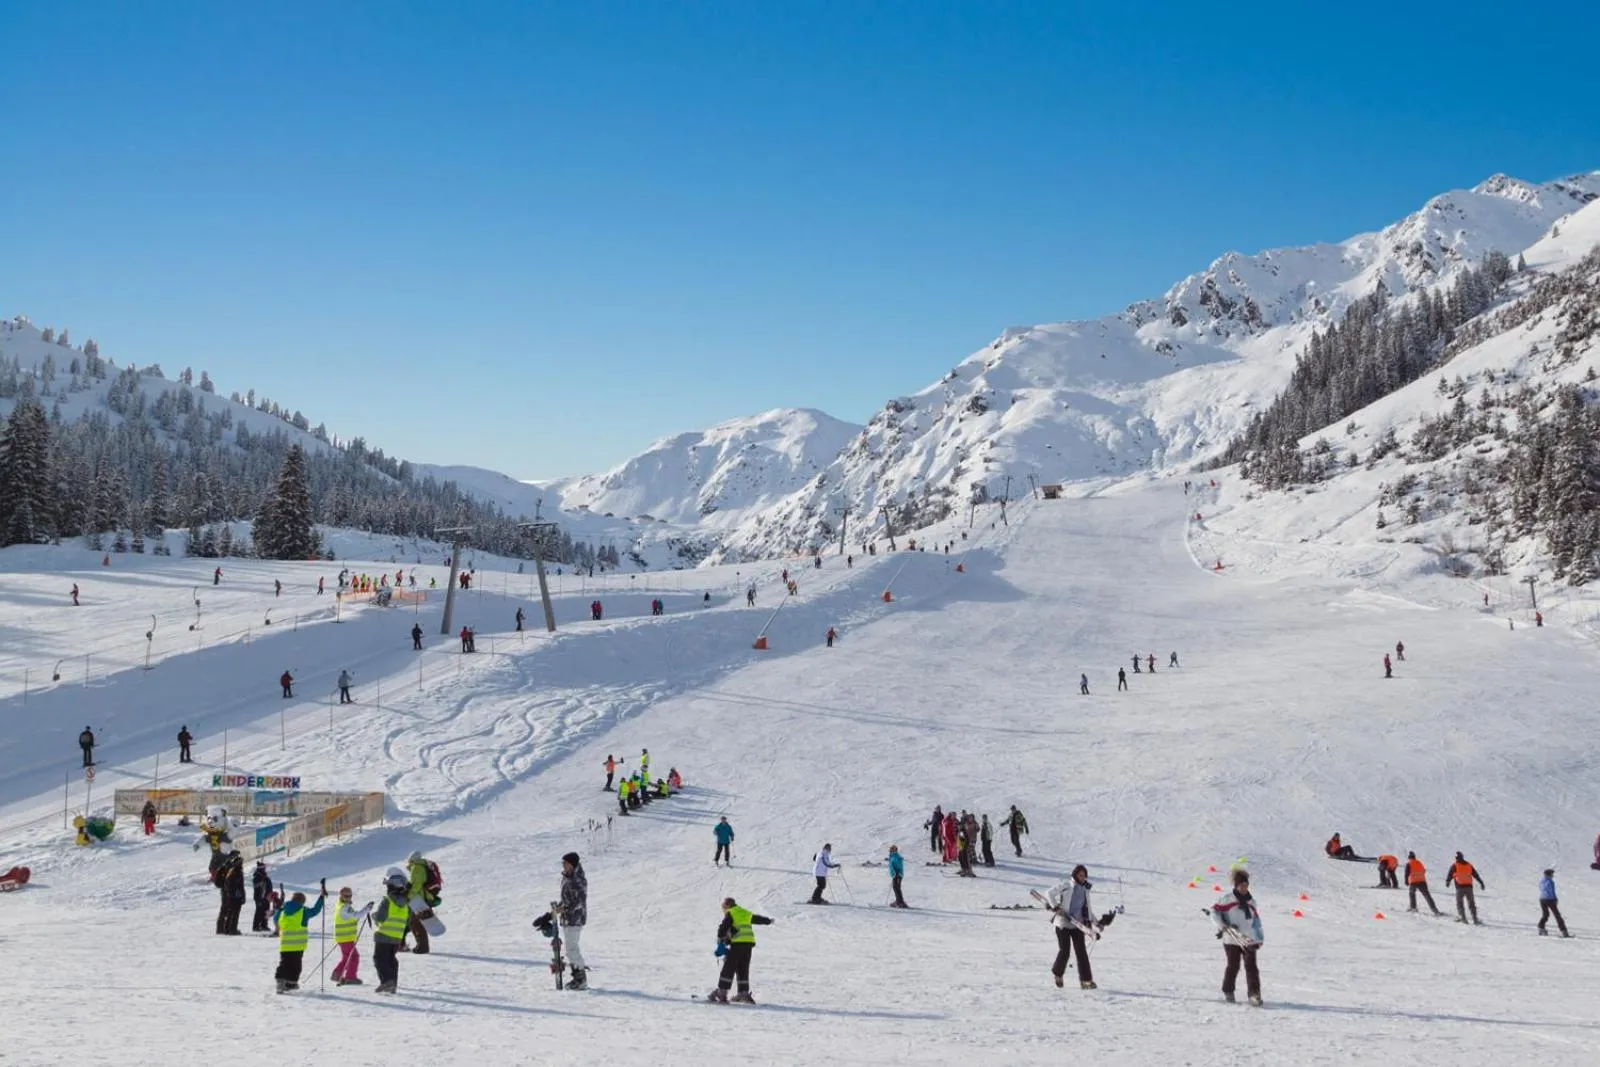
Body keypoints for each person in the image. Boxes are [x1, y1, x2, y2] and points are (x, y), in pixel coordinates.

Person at [1211, 868, 1263, 1006]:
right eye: (1241, 886)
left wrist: (1259, 938)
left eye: (1246, 886)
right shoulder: (1227, 899)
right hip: (1231, 939)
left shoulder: (1251, 902)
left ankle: (1254, 995)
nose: (1244, 888)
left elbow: (1256, 921)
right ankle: (1228, 991)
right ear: (1236, 886)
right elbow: (1214, 912)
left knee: (1251, 967)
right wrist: (1223, 925)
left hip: (1248, 939)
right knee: (1233, 966)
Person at [708, 897, 773, 1003]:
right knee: (743, 968)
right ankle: (743, 993)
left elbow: (722, 929)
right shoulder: (744, 912)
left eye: (724, 907)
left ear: (727, 906)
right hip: (748, 944)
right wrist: (768, 921)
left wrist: (720, 940)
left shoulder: (731, 913)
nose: (724, 910)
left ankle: (722, 993)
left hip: (737, 944)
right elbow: (757, 919)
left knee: (729, 967)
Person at [1047, 865, 1103, 989]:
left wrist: (1096, 923)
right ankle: (1058, 974)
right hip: (1063, 923)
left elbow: (1087, 908)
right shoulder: (1067, 885)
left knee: (1081, 952)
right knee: (1065, 951)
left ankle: (1086, 981)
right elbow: (1049, 893)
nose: (1083, 878)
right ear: (1075, 875)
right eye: (1080, 875)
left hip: (1077, 924)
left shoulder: (1085, 890)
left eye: (1085, 876)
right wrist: (1056, 907)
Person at [273, 885, 326, 992]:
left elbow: (275, 919)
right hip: (298, 945)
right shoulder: (303, 911)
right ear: (302, 902)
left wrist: (278, 924)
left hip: (285, 944)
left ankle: (280, 981)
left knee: (284, 963)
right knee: (295, 965)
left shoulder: (283, 910)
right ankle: (291, 983)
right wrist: (321, 898)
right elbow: (315, 910)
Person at [372, 868, 410, 994]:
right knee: (391, 959)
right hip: (396, 937)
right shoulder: (406, 903)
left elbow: (381, 918)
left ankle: (386, 981)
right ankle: (392, 983)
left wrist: (374, 916)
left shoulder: (387, 900)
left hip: (384, 935)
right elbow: (408, 922)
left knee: (379, 959)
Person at [555, 852, 589, 989]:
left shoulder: (578, 879)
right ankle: (577, 976)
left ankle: (580, 979)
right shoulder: (568, 877)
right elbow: (567, 898)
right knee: (570, 949)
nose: (563, 866)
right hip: (568, 918)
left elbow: (580, 901)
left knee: (572, 949)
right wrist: (560, 907)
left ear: (572, 864)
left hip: (575, 919)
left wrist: (566, 909)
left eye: (565, 863)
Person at [331, 887, 372, 985]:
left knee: (347, 957)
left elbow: (352, 917)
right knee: (354, 956)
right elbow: (356, 915)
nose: (348, 898)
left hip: (343, 937)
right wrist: (367, 909)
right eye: (346, 896)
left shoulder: (341, 905)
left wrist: (366, 909)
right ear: (341, 895)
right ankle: (350, 977)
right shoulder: (345, 908)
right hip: (345, 938)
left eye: (350, 895)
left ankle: (337, 974)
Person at [404, 850, 438, 952]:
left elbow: (417, 885)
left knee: (415, 923)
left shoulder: (417, 868)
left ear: (412, 860)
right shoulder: (421, 866)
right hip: (421, 898)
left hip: (419, 900)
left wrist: (408, 895)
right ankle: (421, 946)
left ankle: (422, 947)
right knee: (416, 923)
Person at [1446, 852, 1485, 925]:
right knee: (1471, 903)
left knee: (1460, 903)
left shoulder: (1455, 865)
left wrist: (1448, 881)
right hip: (1469, 887)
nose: (1456, 859)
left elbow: (1450, 874)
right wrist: (1481, 882)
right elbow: (1475, 874)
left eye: (1456, 858)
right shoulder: (1468, 865)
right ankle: (1475, 919)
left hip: (1459, 888)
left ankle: (1463, 919)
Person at [215, 844, 245, 935]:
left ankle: (222, 928)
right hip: (229, 892)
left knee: (225, 910)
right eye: (237, 856)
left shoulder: (226, 866)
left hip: (226, 891)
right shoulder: (231, 867)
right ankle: (228, 928)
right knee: (229, 910)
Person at [1537, 869, 1569, 938]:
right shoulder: (1550, 882)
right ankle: (1564, 931)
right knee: (1557, 915)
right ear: (1549, 875)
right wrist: (1555, 899)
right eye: (1552, 874)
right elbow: (1552, 892)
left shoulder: (1542, 881)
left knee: (1545, 914)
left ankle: (1541, 926)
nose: (1552, 876)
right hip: (1550, 900)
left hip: (1542, 899)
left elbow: (1541, 889)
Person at [252, 860, 273, 932]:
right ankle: (256, 926)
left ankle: (264, 925)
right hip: (259, 897)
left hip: (267, 897)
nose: (265, 869)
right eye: (264, 868)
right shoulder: (257, 876)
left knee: (267, 911)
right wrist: (262, 880)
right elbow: (256, 886)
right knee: (259, 911)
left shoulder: (265, 876)